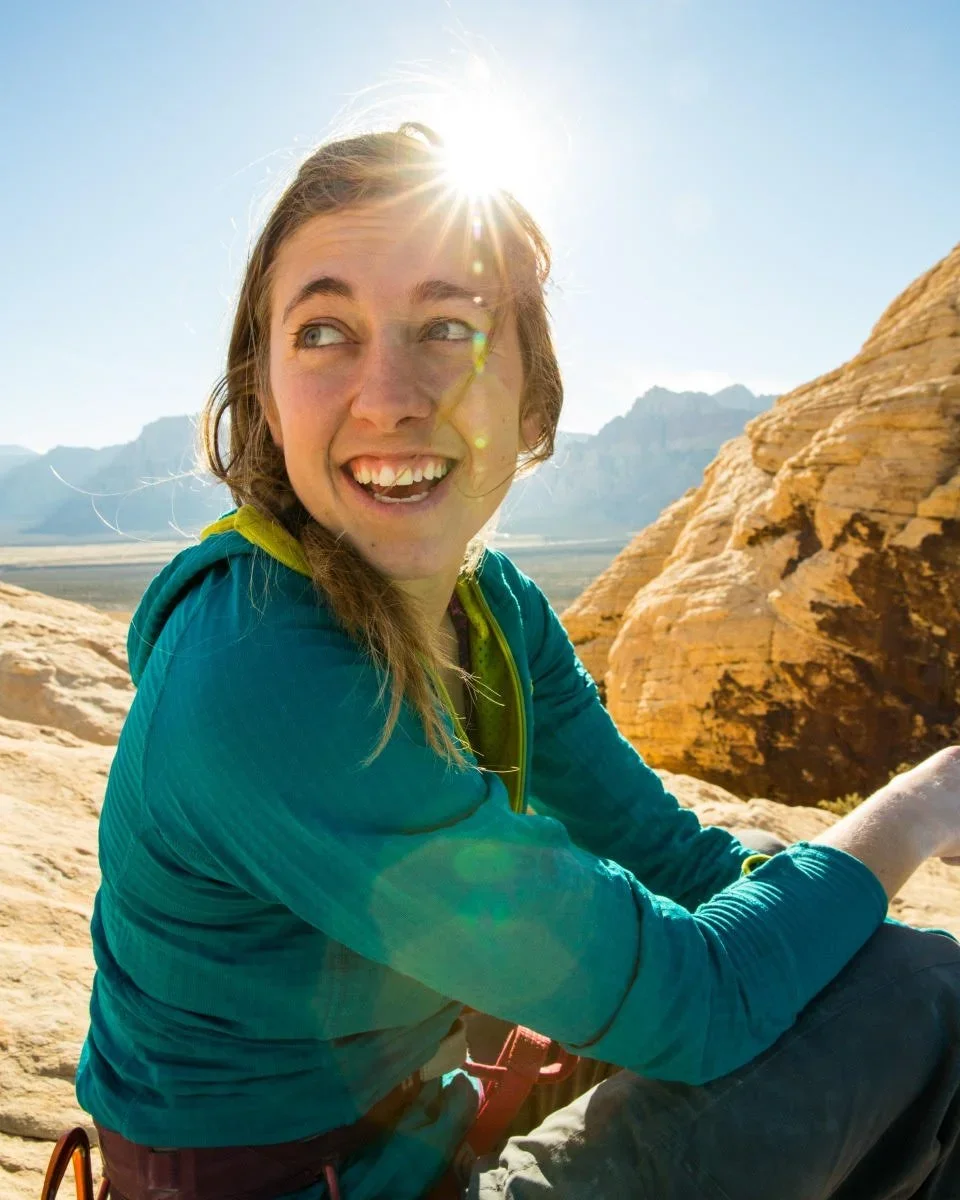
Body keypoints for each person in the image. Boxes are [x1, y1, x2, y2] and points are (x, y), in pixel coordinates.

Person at [73, 123, 960, 1200]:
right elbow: (702, 994)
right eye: (322, 331)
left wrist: (820, 917)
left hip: (416, 1131)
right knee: (919, 993)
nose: (389, 394)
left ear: (532, 397)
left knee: (849, 964)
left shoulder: (489, 606)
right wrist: (925, 802)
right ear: (261, 391)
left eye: (447, 325)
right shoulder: (257, 672)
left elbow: (665, 859)